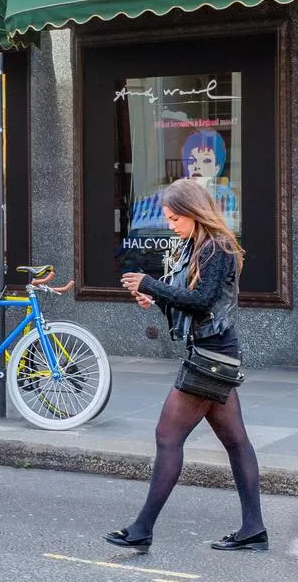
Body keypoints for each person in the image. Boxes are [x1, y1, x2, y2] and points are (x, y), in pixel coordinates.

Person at [106, 176, 267, 553]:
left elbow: (203, 300)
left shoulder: (217, 247)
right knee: (236, 441)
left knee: (168, 436)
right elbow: (187, 300)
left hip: (210, 355)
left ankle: (142, 528)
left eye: (175, 218)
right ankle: (253, 528)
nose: (171, 225)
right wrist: (155, 299)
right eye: (168, 219)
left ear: (194, 212)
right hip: (213, 351)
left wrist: (149, 284)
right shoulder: (196, 246)